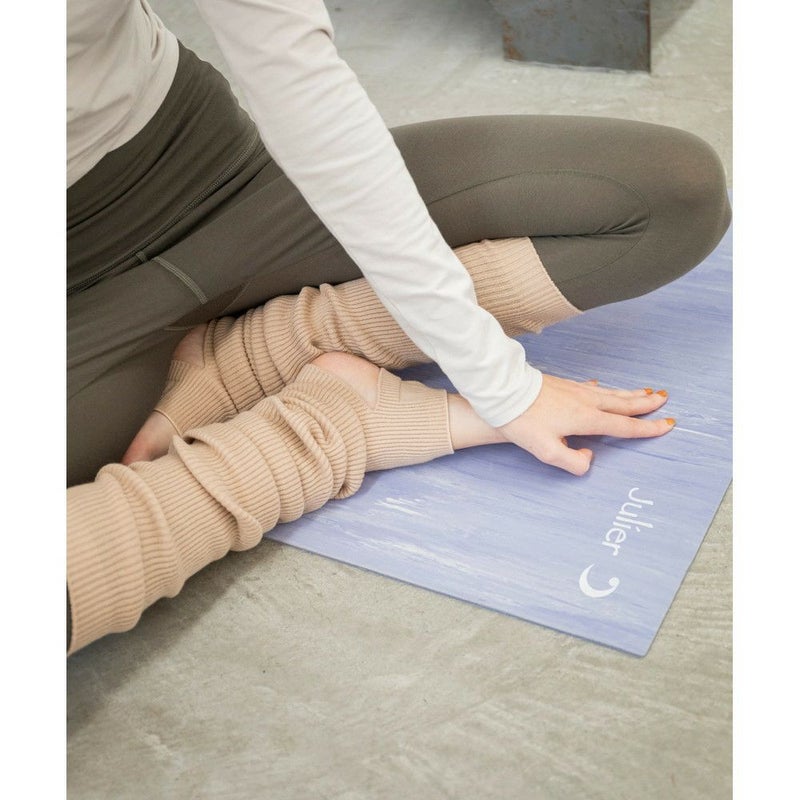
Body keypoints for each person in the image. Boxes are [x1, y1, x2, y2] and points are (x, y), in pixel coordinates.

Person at [66, 0, 731, 653]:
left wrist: (503, 387)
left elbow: (302, 88)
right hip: (72, 296)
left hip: (213, 177)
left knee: (672, 196)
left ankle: (249, 357)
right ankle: (329, 426)